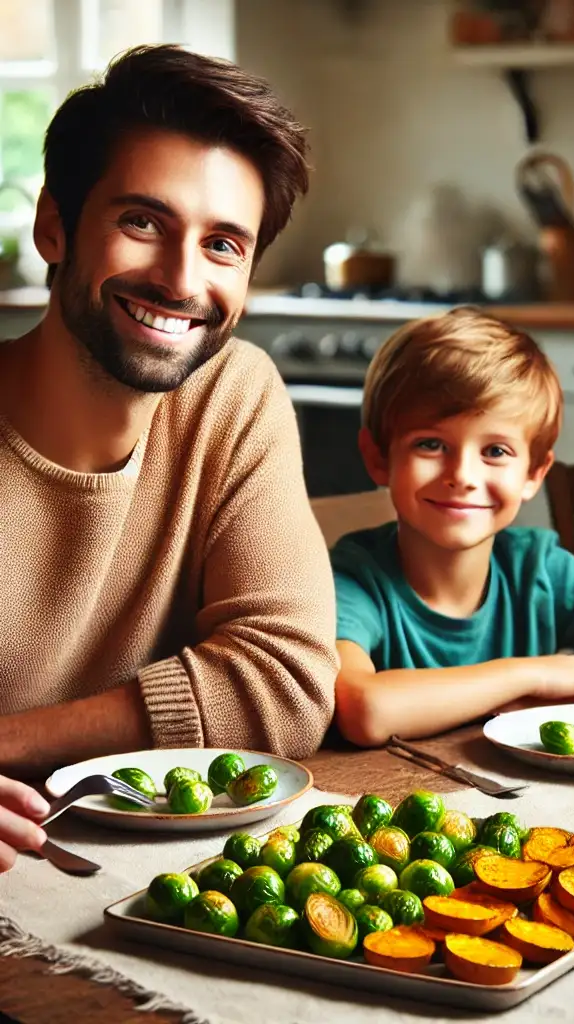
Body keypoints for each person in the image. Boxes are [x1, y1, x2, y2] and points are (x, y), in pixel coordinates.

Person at [0, 45, 338, 778]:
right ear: (55, 226)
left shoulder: (232, 394)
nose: (181, 281)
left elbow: (288, 685)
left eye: (222, 245)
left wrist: (10, 746)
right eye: (144, 223)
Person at [332, 308, 574, 746]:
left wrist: (527, 708)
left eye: (494, 450)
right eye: (431, 444)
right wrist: (530, 673)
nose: (463, 475)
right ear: (379, 457)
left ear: (534, 472)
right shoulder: (355, 578)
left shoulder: (539, 568)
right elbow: (364, 708)